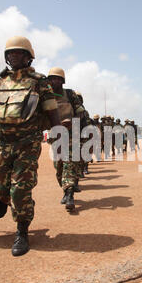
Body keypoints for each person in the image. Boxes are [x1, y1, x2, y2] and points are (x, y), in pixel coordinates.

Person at [0, 36, 61, 257]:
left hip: (28, 144)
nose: (13, 56)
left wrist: (58, 135)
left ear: (28, 57)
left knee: (19, 190)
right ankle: (21, 210)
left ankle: (22, 230)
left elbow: (52, 111)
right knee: (3, 191)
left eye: (18, 53)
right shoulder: (1, 82)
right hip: (3, 146)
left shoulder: (39, 81)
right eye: (10, 53)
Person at [47, 67, 85, 213]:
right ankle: (65, 190)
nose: (54, 81)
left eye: (57, 79)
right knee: (59, 167)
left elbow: (80, 112)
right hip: (55, 136)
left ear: (62, 81)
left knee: (69, 163)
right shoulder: (46, 96)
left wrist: (72, 121)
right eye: (51, 79)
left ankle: (70, 195)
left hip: (71, 135)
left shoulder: (70, 94)